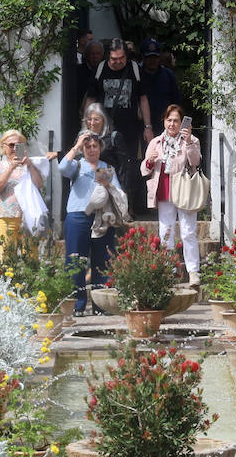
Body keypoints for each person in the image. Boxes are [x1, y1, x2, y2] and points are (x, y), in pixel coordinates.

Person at [84, 41, 152, 211]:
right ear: (108, 56)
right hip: (103, 129)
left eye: (122, 58)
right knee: (104, 165)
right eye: (114, 59)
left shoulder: (134, 69)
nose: (118, 61)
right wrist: (86, 126)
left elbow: (143, 99)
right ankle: (106, 206)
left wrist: (148, 126)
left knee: (128, 167)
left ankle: (126, 207)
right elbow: (91, 99)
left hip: (129, 129)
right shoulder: (100, 70)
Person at [59, 130, 122, 314]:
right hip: (78, 216)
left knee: (102, 261)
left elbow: (117, 193)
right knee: (75, 261)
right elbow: (62, 168)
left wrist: (108, 187)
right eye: (88, 146)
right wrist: (77, 146)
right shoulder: (77, 165)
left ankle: (100, 305)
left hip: (102, 217)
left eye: (95, 146)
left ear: (100, 148)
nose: (92, 149)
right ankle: (77, 305)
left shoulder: (106, 168)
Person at [141, 104, 203, 284]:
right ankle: (170, 269)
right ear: (164, 121)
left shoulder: (191, 140)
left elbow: (195, 161)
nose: (172, 124)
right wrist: (150, 161)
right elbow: (144, 170)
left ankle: (193, 271)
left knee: (188, 232)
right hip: (164, 189)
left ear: (182, 122)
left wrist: (190, 140)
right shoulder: (156, 142)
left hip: (185, 189)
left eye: (176, 120)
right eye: (169, 120)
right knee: (166, 232)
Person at [0, 130, 59, 266]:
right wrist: (11, 168)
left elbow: (39, 184)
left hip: (28, 217)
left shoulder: (30, 164)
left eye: (19, 145)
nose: (14, 148)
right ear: (3, 147)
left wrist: (29, 165)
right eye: (11, 145)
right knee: (8, 257)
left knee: (31, 257)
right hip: (7, 216)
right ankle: (9, 285)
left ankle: (30, 286)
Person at [140, 39, 181, 139]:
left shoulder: (168, 75)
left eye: (155, 57)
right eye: (149, 57)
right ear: (143, 58)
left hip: (165, 124)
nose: (152, 61)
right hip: (142, 125)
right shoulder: (137, 75)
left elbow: (176, 101)